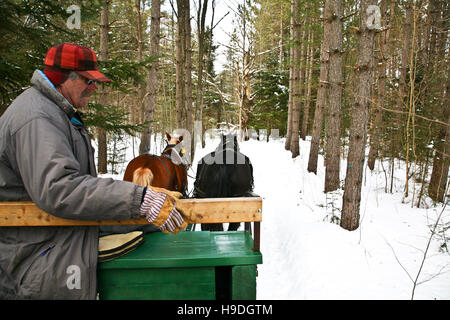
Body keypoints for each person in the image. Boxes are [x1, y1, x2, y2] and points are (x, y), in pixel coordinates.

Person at [0, 43, 190, 299]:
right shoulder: (37, 119)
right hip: (40, 250)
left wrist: (141, 194)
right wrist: (140, 198)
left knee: (153, 224)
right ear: (64, 78)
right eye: (88, 81)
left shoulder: (56, 111)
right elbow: (60, 189)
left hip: (59, 229)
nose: (94, 87)